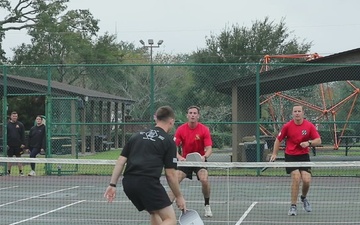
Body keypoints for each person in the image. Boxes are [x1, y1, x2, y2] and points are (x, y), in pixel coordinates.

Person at [104, 106, 186, 225]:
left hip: (128, 183)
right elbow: (170, 174)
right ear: (171, 121)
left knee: (154, 212)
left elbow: (121, 161)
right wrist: (179, 196)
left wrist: (112, 184)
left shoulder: (136, 136)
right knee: (170, 220)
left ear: (156, 119)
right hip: (147, 184)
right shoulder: (169, 142)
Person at [270, 105, 321, 216]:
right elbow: (278, 140)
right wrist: (274, 154)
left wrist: (309, 143)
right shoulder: (287, 126)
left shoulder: (309, 126)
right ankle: (293, 206)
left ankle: (303, 198)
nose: (297, 113)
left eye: (299, 111)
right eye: (295, 111)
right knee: (296, 177)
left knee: (307, 180)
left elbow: (318, 140)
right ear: (292, 113)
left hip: (304, 156)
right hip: (291, 156)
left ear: (303, 113)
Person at [171, 105, 213, 217]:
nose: (192, 115)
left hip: (199, 161)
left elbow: (209, 148)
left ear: (198, 116)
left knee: (204, 180)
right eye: (190, 113)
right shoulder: (181, 129)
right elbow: (172, 148)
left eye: (195, 113)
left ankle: (207, 205)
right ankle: (167, 207)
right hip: (185, 161)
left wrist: (204, 157)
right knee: (174, 180)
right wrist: (180, 157)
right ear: (187, 115)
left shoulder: (204, 129)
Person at [7, 111, 26, 176]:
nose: (14, 117)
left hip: (18, 146)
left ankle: (21, 172)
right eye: (13, 116)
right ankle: (8, 172)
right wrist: (6, 144)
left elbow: (23, 135)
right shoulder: (7, 125)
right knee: (9, 159)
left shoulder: (20, 125)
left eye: (16, 116)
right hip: (10, 146)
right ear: (11, 117)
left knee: (19, 159)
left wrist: (23, 143)